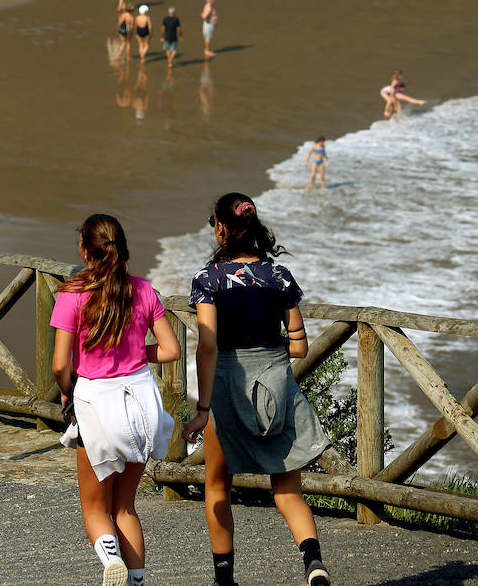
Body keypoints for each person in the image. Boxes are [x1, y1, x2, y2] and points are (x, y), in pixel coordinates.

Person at [183, 193, 331, 586]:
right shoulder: (279, 277)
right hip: (276, 383)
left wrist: (203, 406)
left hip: (227, 384)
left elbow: (208, 345)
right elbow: (299, 346)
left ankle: (225, 580)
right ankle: (313, 563)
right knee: (288, 492)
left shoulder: (207, 280)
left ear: (220, 228)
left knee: (217, 484)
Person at [51, 213, 180, 586]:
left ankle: (110, 563)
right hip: (142, 405)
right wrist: (138, 353)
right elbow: (171, 350)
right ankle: (137, 582)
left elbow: (61, 364)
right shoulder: (143, 290)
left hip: (97, 406)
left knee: (95, 508)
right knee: (125, 507)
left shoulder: (73, 293)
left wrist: (67, 389)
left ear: (84, 250)